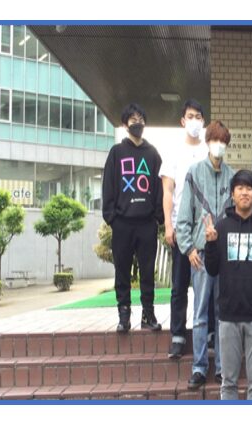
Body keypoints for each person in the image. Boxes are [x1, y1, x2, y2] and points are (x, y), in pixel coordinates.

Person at [204, 170, 252, 400]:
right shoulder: (222, 227)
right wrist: (210, 244)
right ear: (232, 194)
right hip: (228, 316)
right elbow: (212, 270)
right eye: (240, 188)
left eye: (249, 188)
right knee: (228, 382)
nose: (244, 193)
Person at [176, 120, 235, 389]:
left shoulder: (233, 177)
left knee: (223, 312)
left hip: (224, 256)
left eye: (223, 141)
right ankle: (199, 367)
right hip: (200, 254)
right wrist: (188, 248)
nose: (218, 145)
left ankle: (222, 367)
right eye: (215, 140)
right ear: (207, 142)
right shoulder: (194, 172)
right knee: (200, 312)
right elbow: (183, 217)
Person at [102, 103, 163, 334]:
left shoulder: (152, 153)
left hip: (146, 223)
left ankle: (148, 314)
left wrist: (157, 217)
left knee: (148, 272)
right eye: (133, 119)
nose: (137, 123)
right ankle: (124, 315)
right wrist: (111, 217)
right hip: (122, 223)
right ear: (125, 124)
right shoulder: (116, 152)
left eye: (141, 119)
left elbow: (159, 186)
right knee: (122, 271)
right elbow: (108, 184)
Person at [160, 99, 209, 359]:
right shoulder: (173, 151)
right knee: (179, 285)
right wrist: (168, 224)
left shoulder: (208, 149)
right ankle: (178, 335)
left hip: (205, 228)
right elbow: (168, 191)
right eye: (190, 116)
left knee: (207, 283)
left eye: (198, 117)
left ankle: (209, 332)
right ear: (182, 121)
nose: (194, 121)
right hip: (181, 227)